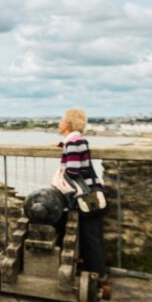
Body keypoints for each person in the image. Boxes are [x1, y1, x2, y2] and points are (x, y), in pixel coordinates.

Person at [54, 108, 107, 282]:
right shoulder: (78, 140)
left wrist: (60, 177)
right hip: (92, 190)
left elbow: (74, 170)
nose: (59, 123)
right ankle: (97, 270)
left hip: (86, 194)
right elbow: (78, 155)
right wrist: (62, 146)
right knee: (93, 234)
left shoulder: (73, 142)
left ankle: (97, 274)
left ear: (68, 124)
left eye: (62, 120)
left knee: (89, 235)